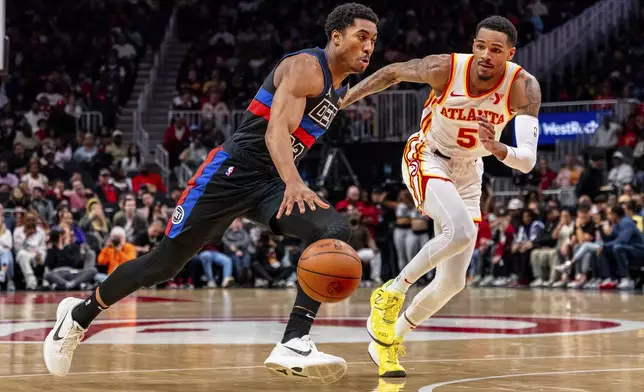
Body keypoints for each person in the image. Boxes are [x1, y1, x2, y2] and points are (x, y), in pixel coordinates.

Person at [43, 3, 378, 384]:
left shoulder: (340, 85)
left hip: (269, 184)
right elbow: (274, 133)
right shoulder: (305, 67)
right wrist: (294, 183)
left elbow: (368, 86)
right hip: (231, 174)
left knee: (332, 228)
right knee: (163, 266)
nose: (369, 47)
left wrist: (403, 74)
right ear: (336, 37)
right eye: (361, 37)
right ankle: (77, 316)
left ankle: (294, 339)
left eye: (373, 40)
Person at [340, 15, 541, 377]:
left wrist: (498, 148)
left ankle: (387, 343)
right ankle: (390, 293)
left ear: (510, 53)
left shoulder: (522, 86)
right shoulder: (445, 68)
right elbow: (394, 72)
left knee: (453, 282)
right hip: (427, 155)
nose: (485, 55)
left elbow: (527, 161)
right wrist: (347, 97)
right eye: (480, 45)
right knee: (461, 231)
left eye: (496, 50)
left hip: (470, 171)